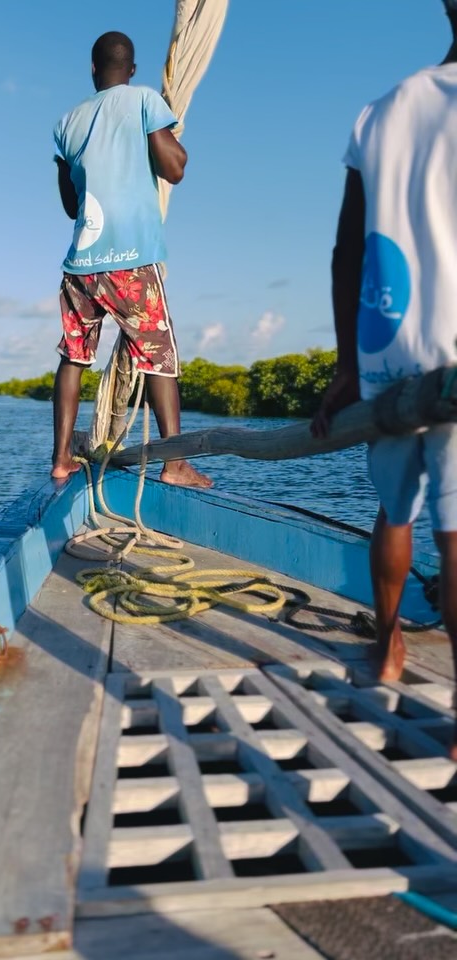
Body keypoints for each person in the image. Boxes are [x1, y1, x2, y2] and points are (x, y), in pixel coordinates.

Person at [312, 0, 457, 748]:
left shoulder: (381, 112)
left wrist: (345, 367)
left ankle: (390, 648)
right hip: (456, 352)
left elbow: (345, 253)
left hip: (388, 344)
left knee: (394, 513)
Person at [50, 31, 212, 489]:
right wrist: (160, 129)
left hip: (81, 266)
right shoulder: (144, 101)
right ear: (133, 69)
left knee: (74, 358)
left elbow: (69, 204)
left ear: (93, 69)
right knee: (160, 358)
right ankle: (176, 463)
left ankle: (61, 459)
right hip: (130, 261)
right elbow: (175, 168)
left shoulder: (67, 122)